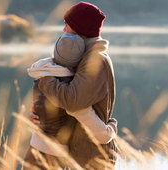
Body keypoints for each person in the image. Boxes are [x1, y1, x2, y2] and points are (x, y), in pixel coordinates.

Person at [29, 1, 118, 169]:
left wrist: (45, 78)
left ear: (81, 30)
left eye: (67, 25)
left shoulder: (95, 60)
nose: (64, 30)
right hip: (80, 153)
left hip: (94, 157)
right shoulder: (81, 56)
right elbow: (67, 100)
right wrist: (38, 111)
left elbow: (73, 101)